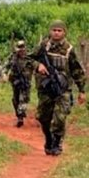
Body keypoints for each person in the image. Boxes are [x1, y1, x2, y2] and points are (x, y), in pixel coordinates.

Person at [29, 20, 86, 155]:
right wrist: (38, 66)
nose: (56, 32)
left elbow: (77, 70)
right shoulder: (43, 46)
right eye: (54, 30)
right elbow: (28, 59)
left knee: (60, 117)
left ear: (64, 32)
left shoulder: (69, 50)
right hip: (46, 89)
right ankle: (48, 139)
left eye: (59, 30)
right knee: (43, 117)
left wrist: (82, 90)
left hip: (63, 90)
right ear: (50, 31)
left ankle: (57, 143)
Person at [3, 40, 34, 127]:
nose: (21, 50)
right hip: (15, 82)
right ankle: (19, 115)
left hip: (26, 83)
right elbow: (6, 66)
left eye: (23, 48)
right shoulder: (13, 57)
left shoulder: (30, 58)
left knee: (23, 100)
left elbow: (36, 66)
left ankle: (21, 117)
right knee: (15, 100)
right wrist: (4, 74)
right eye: (20, 48)